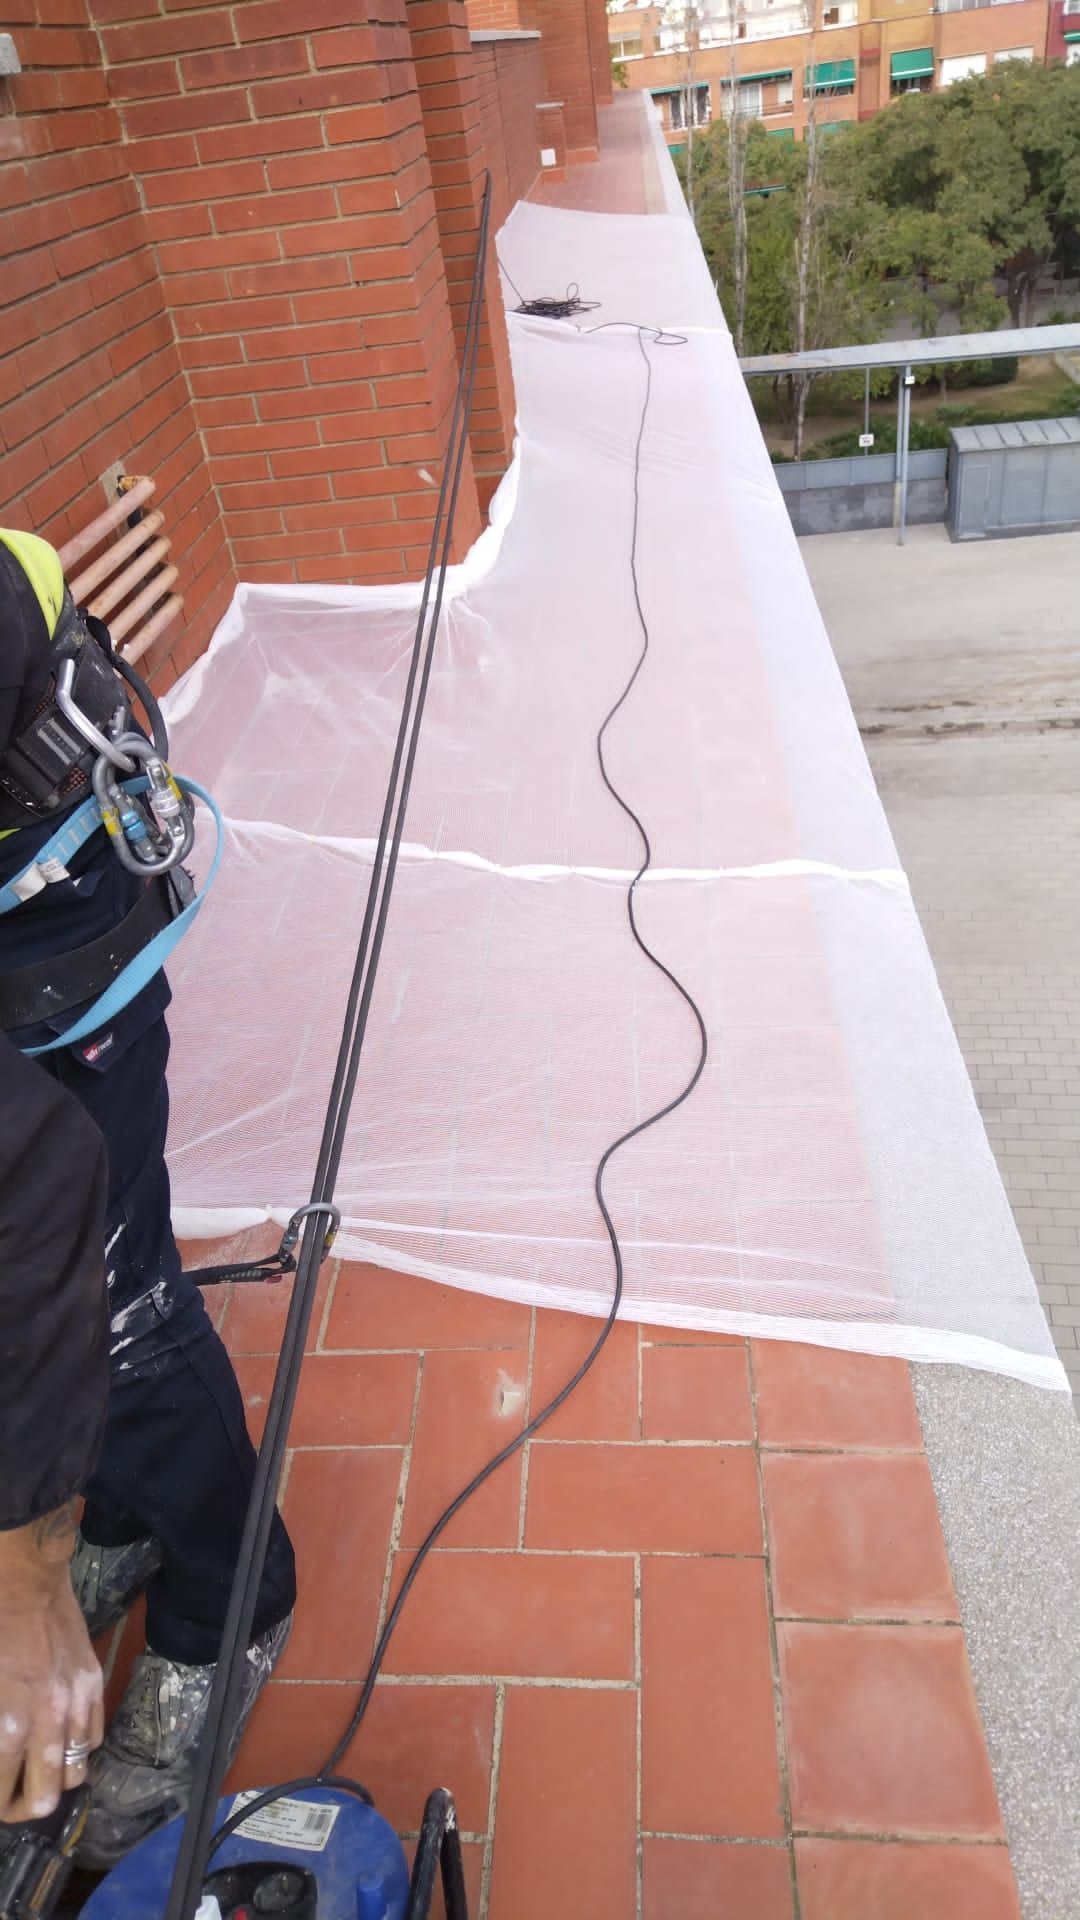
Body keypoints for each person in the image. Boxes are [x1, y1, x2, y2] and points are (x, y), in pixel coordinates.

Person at [0, 528, 296, 1872]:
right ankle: (121, 1507)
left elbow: (30, 1193)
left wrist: (22, 1564)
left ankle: (231, 1599)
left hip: (54, 921)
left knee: (114, 1304)